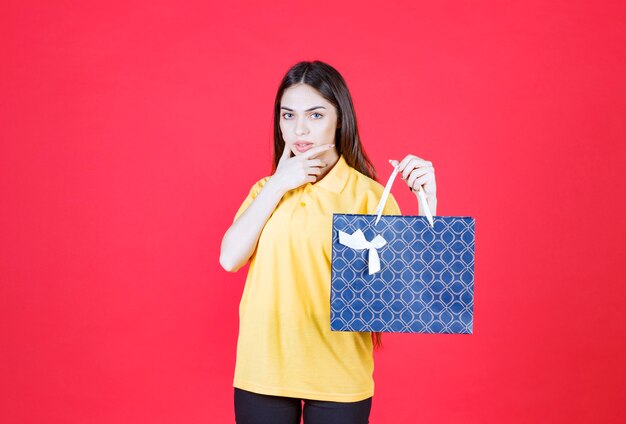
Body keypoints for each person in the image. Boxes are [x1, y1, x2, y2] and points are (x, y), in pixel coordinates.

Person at [219, 60, 437, 424]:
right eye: (288, 115)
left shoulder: (369, 197)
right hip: (263, 371)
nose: (299, 129)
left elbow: (405, 291)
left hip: (339, 376)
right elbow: (229, 259)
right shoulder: (265, 191)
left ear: (340, 118)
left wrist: (427, 203)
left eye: (315, 115)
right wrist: (278, 184)